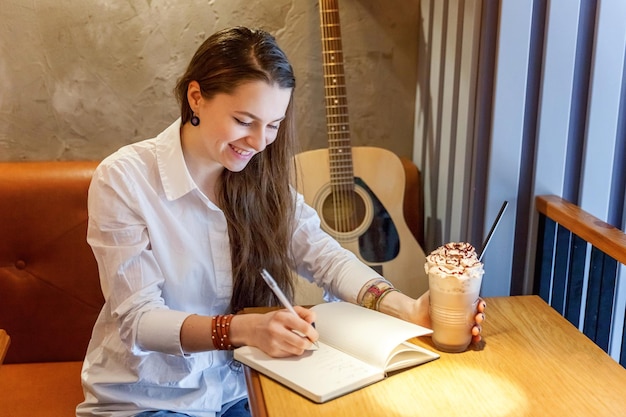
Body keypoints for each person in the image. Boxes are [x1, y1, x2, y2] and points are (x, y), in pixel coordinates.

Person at [77, 26, 485, 417]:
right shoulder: (124, 179)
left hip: (243, 389)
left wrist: (406, 308)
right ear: (196, 97)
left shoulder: (260, 178)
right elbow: (140, 322)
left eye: (272, 126)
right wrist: (244, 329)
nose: (258, 143)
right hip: (150, 398)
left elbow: (323, 255)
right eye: (243, 120)